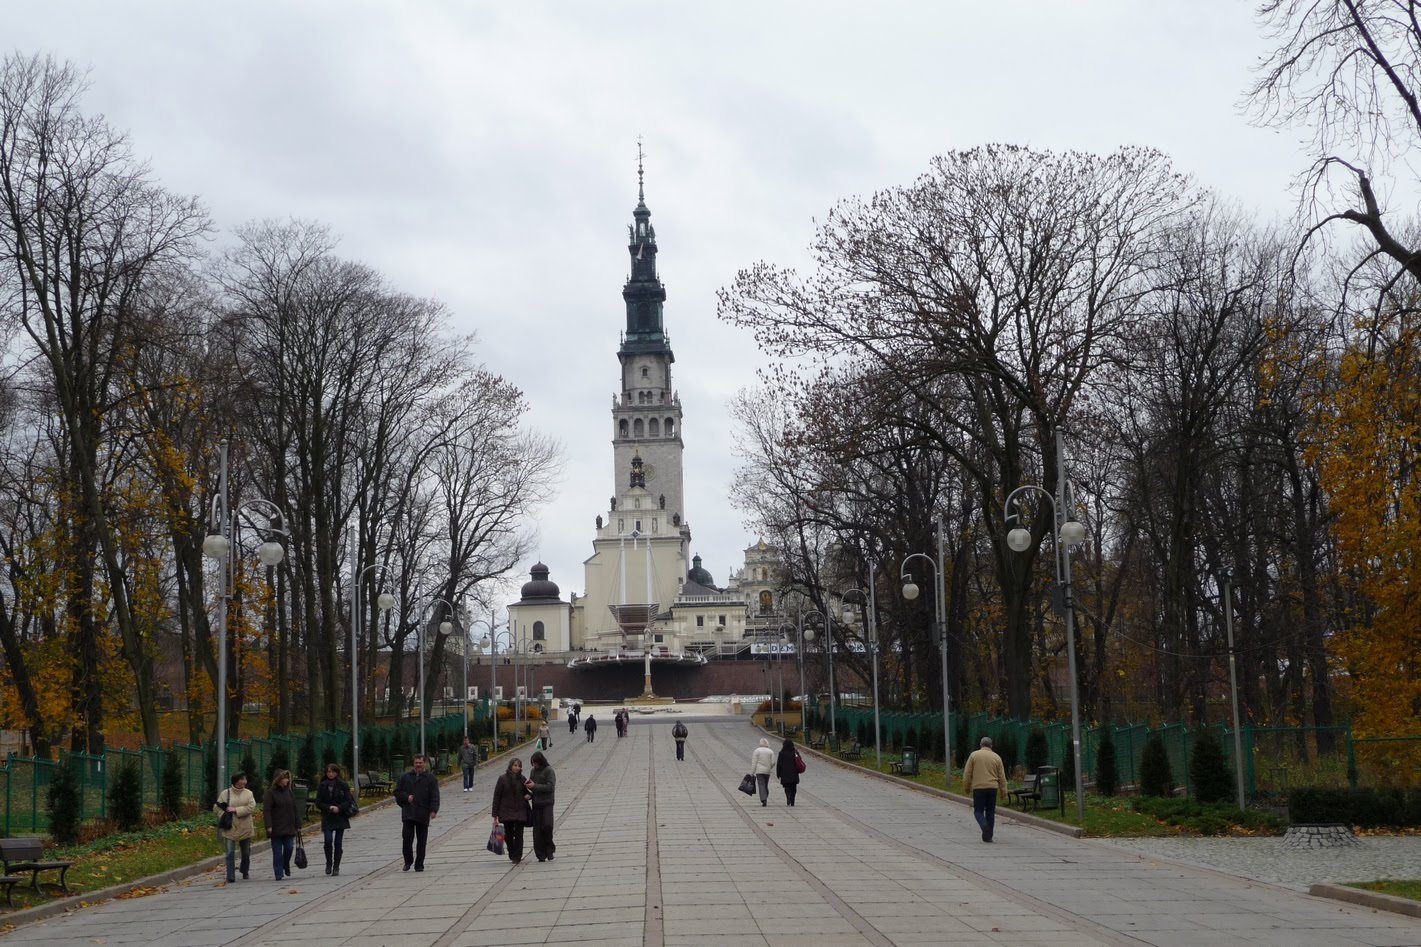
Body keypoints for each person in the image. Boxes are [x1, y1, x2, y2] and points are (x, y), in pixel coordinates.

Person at [394, 754, 441, 870]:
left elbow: (435, 795)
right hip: (408, 813)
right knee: (407, 839)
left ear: (424, 763)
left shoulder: (430, 778)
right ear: (413, 763)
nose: (418, 765)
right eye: (416, 763)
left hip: (422, 812)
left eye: (420, 763)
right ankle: (408, 861)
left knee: (422, 841)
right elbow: (397, 792)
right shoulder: (406, 777)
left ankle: (419, 864)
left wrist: (434, 810)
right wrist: (406, 797)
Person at [963, 736, 1009, 843]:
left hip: (978, 788)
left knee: (978, 811)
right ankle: (988, 836)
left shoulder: (974, 755)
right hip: (992, 788)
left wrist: (967, 787)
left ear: (980, 745)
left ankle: (984, 825)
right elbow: (1002, 777)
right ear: (991, 746)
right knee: (990, 811)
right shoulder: (996, 757)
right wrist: (1004, 792)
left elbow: (967, 773)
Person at [215, 772, 256, 883]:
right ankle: (230, 875)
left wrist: (236, 810)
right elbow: (216, 807)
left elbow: (251, 807)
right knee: (229, 853)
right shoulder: (225, 793)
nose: (244, 781)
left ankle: (245, 870)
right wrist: (223, 814)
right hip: (230, 826)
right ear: (236, 781)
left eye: (245, 779)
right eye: (242, 779)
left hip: (245, 827)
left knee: (246, 852)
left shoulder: (248, 794)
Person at [491, 757, 533, 865]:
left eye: (519, 766)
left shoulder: (522, 779)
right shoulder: (502, 779)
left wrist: (529, 795)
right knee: (508, 835)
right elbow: (497, 796)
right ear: (510, 766)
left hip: (520, 810)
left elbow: (527, 792)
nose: (517, 768)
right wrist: (494, 814)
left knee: (519, 835)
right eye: (515, 765)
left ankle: (517, 856)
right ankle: (512, 851)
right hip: (506, 810)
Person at [316, 763, 354, 875]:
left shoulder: (342, 785)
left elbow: (348, 800)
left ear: (337, 773)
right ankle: (329, 863)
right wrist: (329, 807)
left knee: (338, 843)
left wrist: (339, 808)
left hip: (340, 817)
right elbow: (318, 803)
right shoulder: (322, 785)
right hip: (327, 817)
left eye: (333, 772)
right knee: (328, 841)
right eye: (329, 772)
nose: (331, 774)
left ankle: (336, 866)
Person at [263, 770, 300, 880]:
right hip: (276, 827)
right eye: (285, 778)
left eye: (287, 778)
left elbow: (295, 809)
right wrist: (268, 825)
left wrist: (298, 824)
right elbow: (267, 810)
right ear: (279, 780)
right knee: (277, 852)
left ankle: (285, 863)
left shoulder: (289, 792)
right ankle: (278, 873)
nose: (287, 780)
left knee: (289, 848)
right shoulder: (270, 793)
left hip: (289, 826)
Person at [528, 750, 557, 862]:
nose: (534, 765)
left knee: (547, 826)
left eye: (536, 763)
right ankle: (540, 853)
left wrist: (535, 786)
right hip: (536, 803)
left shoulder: (549, 770)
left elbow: (550, 787)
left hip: (547, 803)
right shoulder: (533, 772)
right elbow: (533, 788)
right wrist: (529, 792)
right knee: (537, 831)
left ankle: (549, 850)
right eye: (533, 763)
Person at [775, 737, 801, 806]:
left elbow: (779, 764)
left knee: (786, 786)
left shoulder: (781, 753)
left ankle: (788, 796)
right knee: (793, 787)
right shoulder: (795, 752)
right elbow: (799, 760)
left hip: (784, 773)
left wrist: (778, 773)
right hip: (794, 773)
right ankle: (792, 801)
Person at [750, 737, 776, 806]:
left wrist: (752, 772)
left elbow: (754, 763)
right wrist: (769, 767)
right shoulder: (770, 751)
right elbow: (773, 762)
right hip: (767, 771)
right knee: (765, 784)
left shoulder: (757, 751)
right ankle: (765, 796)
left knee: (761, 784)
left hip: (759, 771)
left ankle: (763, 799)